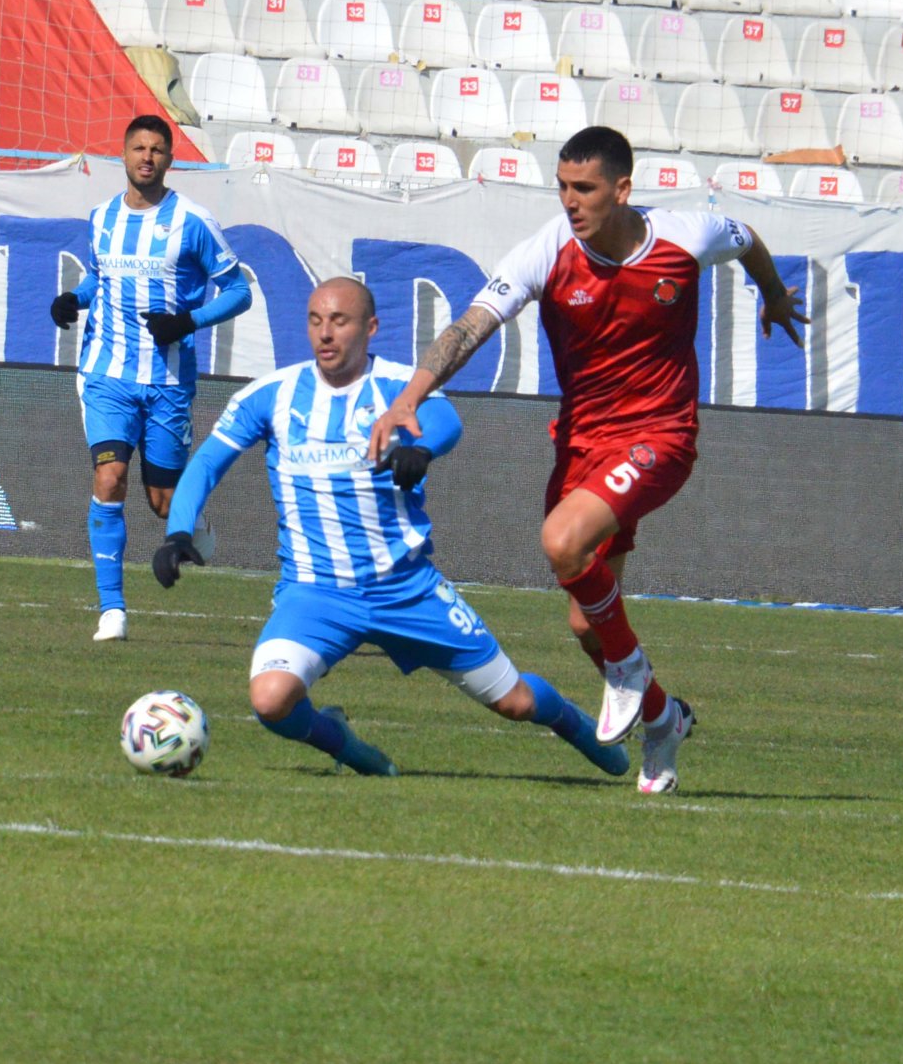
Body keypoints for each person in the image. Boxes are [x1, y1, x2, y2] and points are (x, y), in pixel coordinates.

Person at [368, 125, 810, 795]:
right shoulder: (546, 252)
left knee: (561, 541)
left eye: (585, 188)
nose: (570, 202)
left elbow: (746, 238)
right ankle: (664, 718)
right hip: (583, 443)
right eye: (563, 188)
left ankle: (629, 672)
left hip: (661, 434)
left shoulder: (686, 236)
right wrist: (410, 398)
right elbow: (470, 326)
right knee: (585, 623)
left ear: (622, 189)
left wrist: (773, 294)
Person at [151, 276, 630, 781]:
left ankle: (584, 732)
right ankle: (354, 751)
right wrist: (179, 533)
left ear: (371, 327)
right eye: (316, 321)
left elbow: (447, 420)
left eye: (340, 321)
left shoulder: (403, 387)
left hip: (407, 590)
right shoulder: (272, 395)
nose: (325, 334)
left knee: (514, 702)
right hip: (316, 594)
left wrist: (421, 450)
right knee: (271, 701)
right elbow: (205, 463)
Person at [49, 114, 252, 641]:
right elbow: (101, 275)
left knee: (163, 503)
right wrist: (75, 297)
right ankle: (111, 610)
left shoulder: (193, 221)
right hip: (107, 375)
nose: (147, 157)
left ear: (169, 159)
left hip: (167, 381)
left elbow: (238, 291)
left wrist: (187, 320)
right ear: (124, 155)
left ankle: (191, 521)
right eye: (138, 148)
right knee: (109, 478)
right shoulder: (101, 218)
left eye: (157, 149)